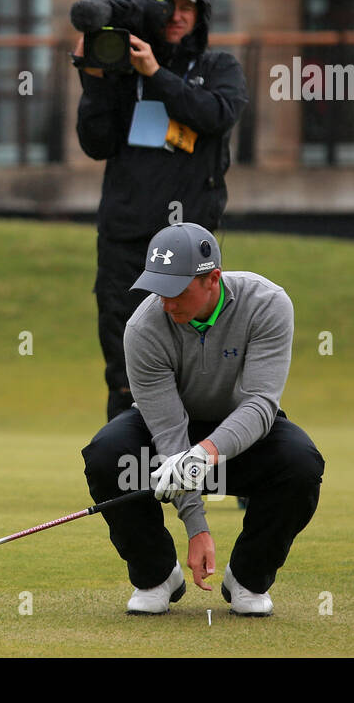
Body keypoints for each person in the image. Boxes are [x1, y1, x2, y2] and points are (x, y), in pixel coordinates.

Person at [80, 223, 325, 615]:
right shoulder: (143, 329)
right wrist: (197, 527)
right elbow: (168, 430)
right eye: (158, 288)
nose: (165, 302)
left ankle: (248, 578)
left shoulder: (267, 303)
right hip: (168, 440)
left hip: (241, 437)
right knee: (109, 454)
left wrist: (204, 455)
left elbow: (261, 405)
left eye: (176, 290)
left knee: (300, 463)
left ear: (213, 279)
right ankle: (157, 575)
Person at [75, 0, 248, 422]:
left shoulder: (218, 67)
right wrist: (94, 79)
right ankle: (127, 479)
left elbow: (214, 115)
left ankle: (222, 460)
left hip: (187, 243)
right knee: (125, 361)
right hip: (124, 235)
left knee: (200, 362)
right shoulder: (122, 74)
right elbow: (95, 144)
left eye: (186, 6)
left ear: (202, 14)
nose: (176, 15)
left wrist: (155, 73)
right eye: (166, 5)